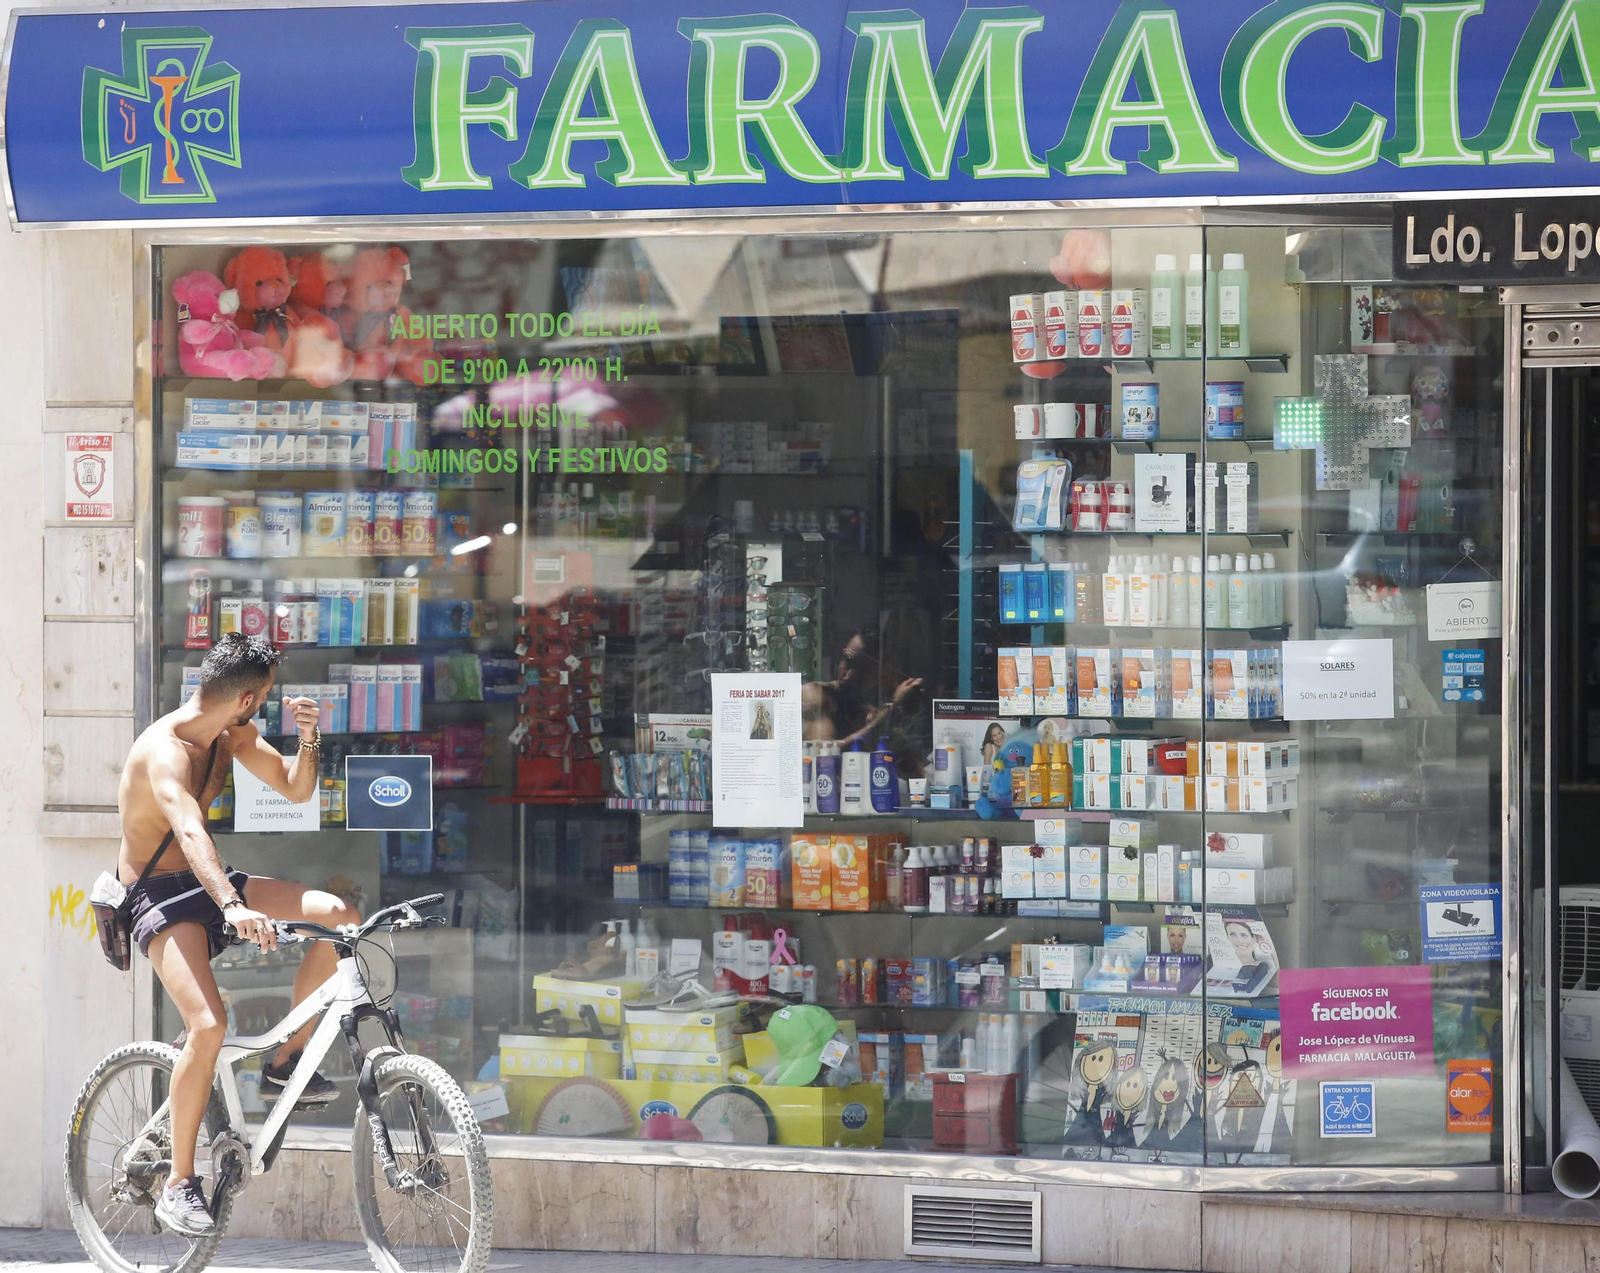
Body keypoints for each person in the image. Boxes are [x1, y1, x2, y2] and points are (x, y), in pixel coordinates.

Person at [116, 632, 359, 1237]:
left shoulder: (233, 735)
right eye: (269, 697)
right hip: (158, 896)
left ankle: (285, 1060)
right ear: (248, 697)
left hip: (210, 882)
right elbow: (191, 832)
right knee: (208, 1024)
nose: (267, 705)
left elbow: (297, 789)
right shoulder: (163, 751)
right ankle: (178, 1183)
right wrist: (230, 903)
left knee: (340, 917)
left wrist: (308, 737)